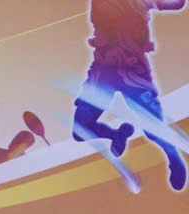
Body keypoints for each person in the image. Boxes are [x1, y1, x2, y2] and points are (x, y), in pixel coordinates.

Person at [72, 0, 186, 191]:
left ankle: (174, 158)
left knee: (153, 128)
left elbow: (175, 3)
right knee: (80, 129)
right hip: (103, 71)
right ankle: (117, 135)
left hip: (132, 71)